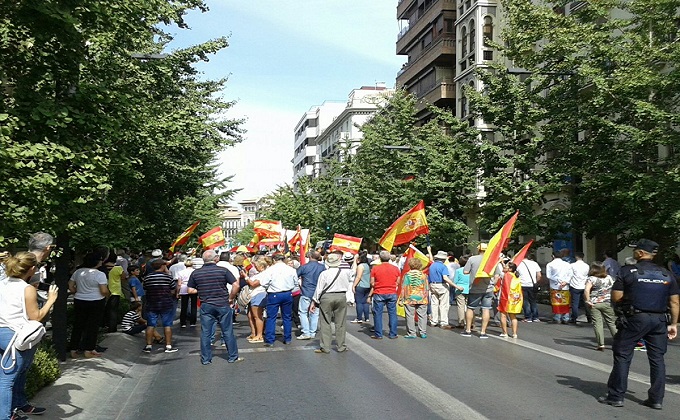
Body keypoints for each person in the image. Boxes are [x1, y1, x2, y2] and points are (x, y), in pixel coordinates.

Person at [598, 239, 679, 410]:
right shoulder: (666, 274)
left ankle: (616, 396)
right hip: (659, 321)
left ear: (641, 253)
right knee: (657, 359)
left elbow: (616, 297)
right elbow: (675, 302)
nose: (634, 252)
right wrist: (673, 324)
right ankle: (656, 399)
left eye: (636, 250)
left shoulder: (627, 271)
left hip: (635, 319)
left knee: (622, 355)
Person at [0, 252, 58, 419]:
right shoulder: (27, 289)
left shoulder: (2, 283)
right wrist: (50, 300)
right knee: (7, 379)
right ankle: (5, 416)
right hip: (17, 336)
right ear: (32, 269)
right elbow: (36, 317)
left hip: (3, 333)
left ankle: (19, 404)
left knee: (18, 372)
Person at [187, 250, 242, 365]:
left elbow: (190, 290)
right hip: (222, 303)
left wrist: (201, 290)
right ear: (215, 259)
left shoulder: (196, 273)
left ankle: (206, 359)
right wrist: (231, 297)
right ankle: (233, 356)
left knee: (206, 332)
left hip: (206, 305)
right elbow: (236, 285)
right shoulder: (223, 271)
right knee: (227, 331)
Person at [68, 252, 110, 358]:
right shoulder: (100, 274)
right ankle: (89, 349)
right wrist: (108, 295)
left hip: (79, 299)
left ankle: (73, 349)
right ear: (97, 262)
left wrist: (78, 291)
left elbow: (71, 286)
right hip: (96, 301)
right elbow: (103, 290)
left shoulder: (78, 272)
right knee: (92, 326)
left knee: (78, 325)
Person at [309, 253, 353, 353]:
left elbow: (319, 289)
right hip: (341, 296)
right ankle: (341, 346)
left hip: (327, 297)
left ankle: (325, 346)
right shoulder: (345, 272)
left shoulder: (324, 274)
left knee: (325, 321)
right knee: (340, 322)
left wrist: (314, 301)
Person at [254, 254, 299, 347]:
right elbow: (296, 283)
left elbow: (264, 282)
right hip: (287, 293)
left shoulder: (270, 270)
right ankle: (287, 338)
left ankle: (270, 340)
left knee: (271, 317)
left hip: (274, 294)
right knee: (287, 317)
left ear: (274, 260)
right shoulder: (291, 270)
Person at [462, 243, 502, 338]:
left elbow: (465, 271)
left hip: (475, 288)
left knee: (471, 308)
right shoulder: (492, 260)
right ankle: (483, 332)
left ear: (478, 250)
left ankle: (468, 330)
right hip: (488, 289)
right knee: (486, 309)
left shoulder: (472, 259)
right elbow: (497, 275)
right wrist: (493, 283)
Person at [142, 259, 179, 354]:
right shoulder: (168, 277)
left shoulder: (147, 278)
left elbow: (145, 289)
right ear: (162, 266)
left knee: (150, 325)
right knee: (167, 325)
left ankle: (148, 346)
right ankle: (168, 346)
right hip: (166, 304)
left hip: (151, 304)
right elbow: (172, 290)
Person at [584, 262, 617, 351]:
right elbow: (615, 288)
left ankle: (601, 344)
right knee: (612, 323)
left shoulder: (591, 279)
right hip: (607, 302)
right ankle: (618, 342)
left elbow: (587, 290)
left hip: (594, 303)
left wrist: (588, 300)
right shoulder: (609, 278)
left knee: (598, 324)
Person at [369, 251, 401, 340]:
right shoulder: (396, 268)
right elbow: (397, 282)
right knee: (392, 314)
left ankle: (378, 334)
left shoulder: (375, 269)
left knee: (377, 314)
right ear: (389, 258)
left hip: (379, 292)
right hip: (391, 292)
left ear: (380, 258)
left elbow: (372, 283)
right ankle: (393, 334)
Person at [296, 251, 325, 339]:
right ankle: (312, 332)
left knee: (303, 312)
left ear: (309, 256)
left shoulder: (304, 267)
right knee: (315, 313)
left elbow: (295, 276)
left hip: (306, 292)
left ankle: (306, 332)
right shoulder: (322, 267)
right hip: (318, 293)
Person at [400, 258, 429, 339]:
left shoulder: (407, 275)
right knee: (422, 315)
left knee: (410, 315)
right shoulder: (424, 275)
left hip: (410, 298)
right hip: (421, 297)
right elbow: (426, 288)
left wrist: (401, 299)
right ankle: (423, 332)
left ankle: (412, 333)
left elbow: (404, 287)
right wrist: (426, 298)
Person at [428, 251, 455, 329]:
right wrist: (455, 285)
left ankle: (434, 321)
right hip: (441, 285)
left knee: (434, 303)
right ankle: (443, 322)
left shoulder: (432, 265)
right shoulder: (443, 266)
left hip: (433, 284)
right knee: (443, 304)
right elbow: (445, 278)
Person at [244, 259, 270, 343]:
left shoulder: (264, 274)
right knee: (250, 315)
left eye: (256, 266)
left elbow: (253, 284)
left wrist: (246, 277)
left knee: (257, 316)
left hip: (258, 294)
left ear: (262, 267)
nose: (255, 268)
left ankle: (259, 335)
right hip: (253, 295)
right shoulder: (260, 274)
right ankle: (254, 333)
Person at [497, 262, 523, 338]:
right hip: (515, 298)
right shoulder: (516, 276)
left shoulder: (506, 275)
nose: (504, 266)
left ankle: (505, 333)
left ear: (510, 269)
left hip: (506, 298)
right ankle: (514, 333)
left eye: (506, 266)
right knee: (513, 316)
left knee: (503, 315)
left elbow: (505, 288)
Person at [546, 250, 572, 324]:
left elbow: (549, 276)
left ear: (553, 256)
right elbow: (570, 274)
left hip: (554, 285)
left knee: (556, 301)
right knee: (565, 301)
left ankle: (557, 317)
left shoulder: (550, 264)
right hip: (565, 286)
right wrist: (565, 282)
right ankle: (566, 317)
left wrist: (558, 280)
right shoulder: (567, 264)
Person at [103, 253, 126, 333]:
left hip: (103, 290)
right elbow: (123, 277)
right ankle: (112, 328)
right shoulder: (118, 268)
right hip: (115, 291)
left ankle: (104, 325)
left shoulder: (102, 267)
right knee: (113, 311)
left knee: (106, 310)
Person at [517, 252, 541, 322]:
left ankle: (528, 317)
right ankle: (535, 317)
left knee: (525, 301)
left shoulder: (519, 264)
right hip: (532, 285)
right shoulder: (534, 263)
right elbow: (539, 275)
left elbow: (516, 274)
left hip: (522, 284)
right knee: (533, 301)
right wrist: (536, 282)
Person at [177, 258, 201, 328]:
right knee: (193, 306)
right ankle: (193, 322)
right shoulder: (195, 271)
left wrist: (177, 292)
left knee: (184, 306)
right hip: (193, 288)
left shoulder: (181, 272)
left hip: (184, 288)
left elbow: (179, 284)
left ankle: (183, 322)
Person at [569, 251, 590, 324]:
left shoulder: (572, 265)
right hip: (584, 285)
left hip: (575, 285)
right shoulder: (586, 266)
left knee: (575, 303)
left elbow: (570, 275)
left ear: (576, 257)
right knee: (586, 302)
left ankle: (574, 317)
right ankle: (589, 317)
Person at [351, 252, 371, 324]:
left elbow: (358, 277)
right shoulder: (368, 266)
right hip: (368, 285)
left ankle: (359, 318)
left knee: (359, 302)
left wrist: (353, 285)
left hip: (361, 285)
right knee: (365, 303)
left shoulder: (360, 266)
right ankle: (366, 318)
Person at [452, 256, 470, 328]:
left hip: (460, 289)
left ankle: (461, 322)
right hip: (469, 289)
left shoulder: (458, 271)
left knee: (461, 306)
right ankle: (470, 322)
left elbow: (455, 281)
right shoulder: (471, 271)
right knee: (469, 307)